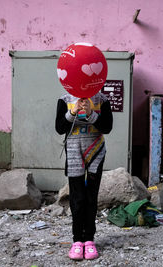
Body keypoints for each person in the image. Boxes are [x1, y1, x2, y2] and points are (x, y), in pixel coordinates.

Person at [55, 91, 113, 260]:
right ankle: (77, 241)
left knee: (90, 196)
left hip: (95, 151)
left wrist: (90, 113)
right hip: (73, 151)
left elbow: (107, 128)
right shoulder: (64, 99)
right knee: (77, 197)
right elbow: (59, 128)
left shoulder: (102, 100)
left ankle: (89, 240)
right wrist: (73, 112)